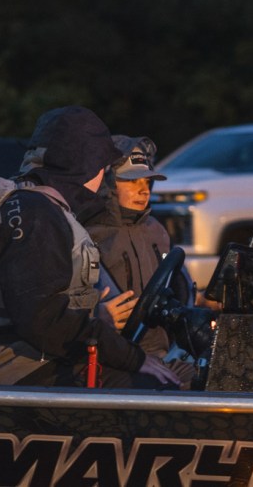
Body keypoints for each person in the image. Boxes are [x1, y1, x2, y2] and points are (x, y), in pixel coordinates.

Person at [0, 106, 180, 389]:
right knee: (154, 388)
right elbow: (45, 320)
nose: (103, 176)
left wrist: (98, 323)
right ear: (85, 164)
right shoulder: (37, 214)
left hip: (6, 352)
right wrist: (133, 358)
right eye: (101, 166)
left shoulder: (26, 202)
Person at [83, 135, 196, 384]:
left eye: (147, 181)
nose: (144, 189)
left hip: (165, 355)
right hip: (117, 359)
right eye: (132, 181)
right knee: (166, 388)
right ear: (107, 183)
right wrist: (95, 313)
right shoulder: (87, 234)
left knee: (213, 377)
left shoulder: (156, 231)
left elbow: (179, 285)